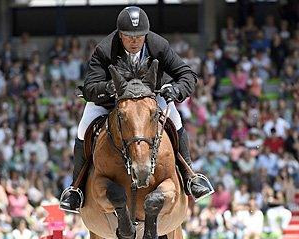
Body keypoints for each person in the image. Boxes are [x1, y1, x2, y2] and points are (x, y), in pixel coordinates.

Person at [59, 6, 213, 213]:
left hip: (150, 98)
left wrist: (176, 90)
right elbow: (89, 87)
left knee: (175, 119)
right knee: (82, 128)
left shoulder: (158, 44)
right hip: (111, 101)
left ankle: (190, 177)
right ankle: (76, 188)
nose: (134, 41)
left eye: (139, 36)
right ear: (120, 35)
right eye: (129, 36)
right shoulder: (105, 49)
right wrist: (108, 88)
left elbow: (187, 74)